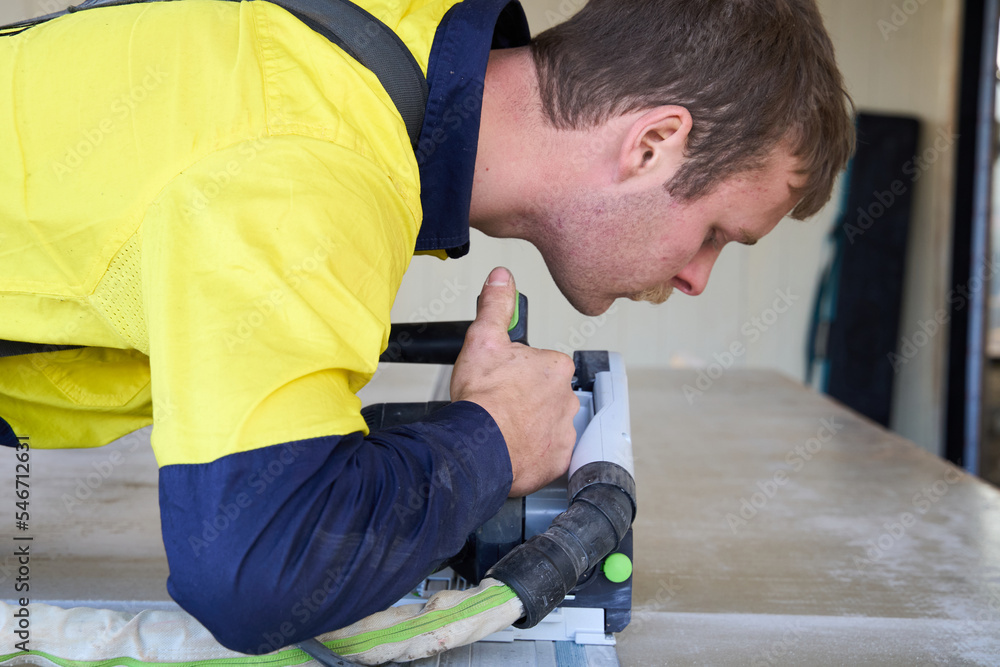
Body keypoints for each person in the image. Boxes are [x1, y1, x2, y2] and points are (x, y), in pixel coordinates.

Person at [0, 0, 853, 654]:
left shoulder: (383, 53)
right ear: (654, 143)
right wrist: (493, 442)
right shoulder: (322, 163)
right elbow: (253, 573)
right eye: (714, 233)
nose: (698, 278)